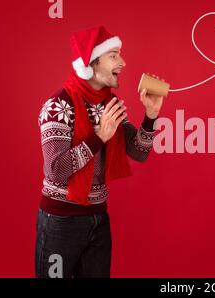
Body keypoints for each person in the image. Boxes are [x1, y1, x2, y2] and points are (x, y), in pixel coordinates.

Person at [35, 25, 165, 278]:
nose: (123, 62)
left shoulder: (109, 103)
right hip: (61, 221)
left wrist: (151, 115)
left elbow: (138, 152)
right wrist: (99, 137)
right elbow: (56, 170)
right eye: (114, 55)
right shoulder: (58, 105)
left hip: (97, 218)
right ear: (90, 63)